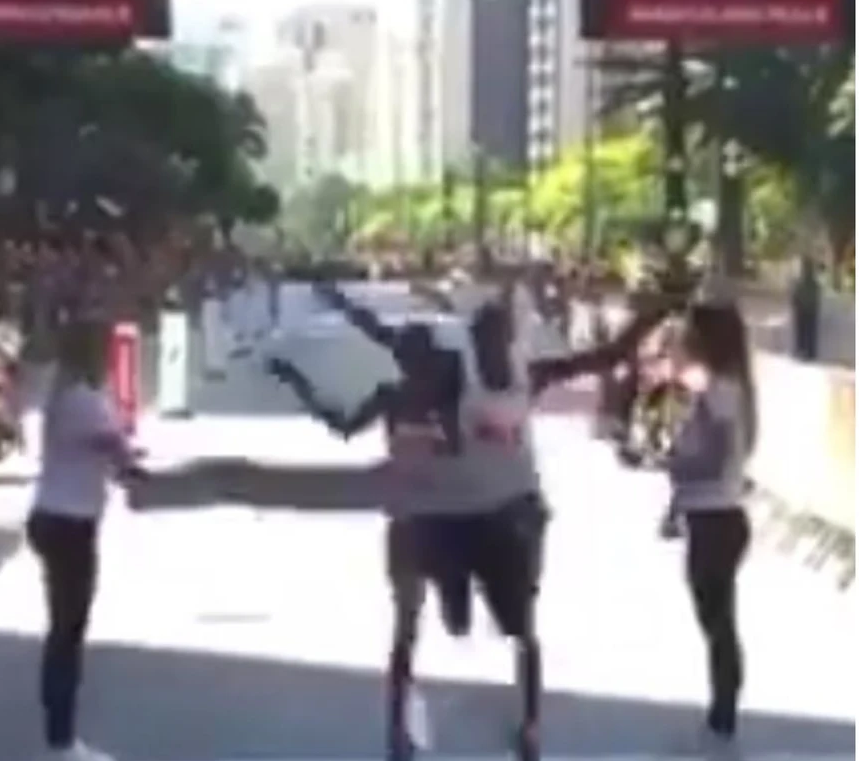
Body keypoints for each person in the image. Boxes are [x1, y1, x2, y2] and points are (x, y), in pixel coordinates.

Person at [313, 277, 672, 761]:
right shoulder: (449, 371)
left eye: (504, 344)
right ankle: (400, 728)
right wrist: (341, 304)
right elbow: (389, 338)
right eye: (490, 344)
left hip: (497, 517)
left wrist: (659, 310)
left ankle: (529, 727)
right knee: (409, 624)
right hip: (441, 517)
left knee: (523, 627)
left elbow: (606, 357)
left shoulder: (531, 373)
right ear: (474, 344)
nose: (500, 357)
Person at [265, 325, 467, 761]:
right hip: (432, 524)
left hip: (416, 524)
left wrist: (298, 383)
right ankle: (399, 730)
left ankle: (398, 730)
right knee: (414, 626)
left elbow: (341, 424)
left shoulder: (404, 398)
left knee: (407, 631)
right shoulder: (439, 401)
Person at [25, 320, 137, 761]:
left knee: (64, 628)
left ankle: (60, 732)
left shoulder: (65, 395)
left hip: (57, 516)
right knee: (67, 632)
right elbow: (118, 454)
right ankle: (60, 740)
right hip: (70, 524)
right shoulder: (84, 402)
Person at [664, 301, 757, 747]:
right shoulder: (724, 388)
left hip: (717, 517)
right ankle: (723, 706)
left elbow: (716, 456)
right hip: (714, 516)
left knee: (717, 620)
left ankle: (725, 710)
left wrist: (679, 465)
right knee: (716, 617)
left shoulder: (720, 391)